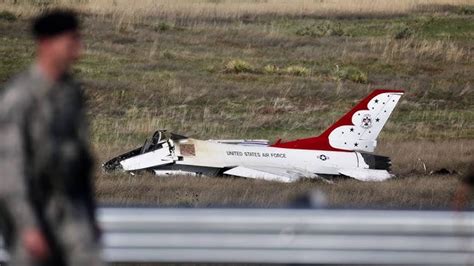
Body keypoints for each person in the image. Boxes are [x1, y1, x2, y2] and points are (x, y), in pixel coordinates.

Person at [0, 9, 103, 266]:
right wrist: (28, 226)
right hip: (33, 215)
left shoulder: (70, 95)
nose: (78, 50)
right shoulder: (20, 96)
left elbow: (81, 162)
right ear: (46, 44)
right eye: (71, 42)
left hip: (71, 217)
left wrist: (90, 218)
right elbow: (9, 169)